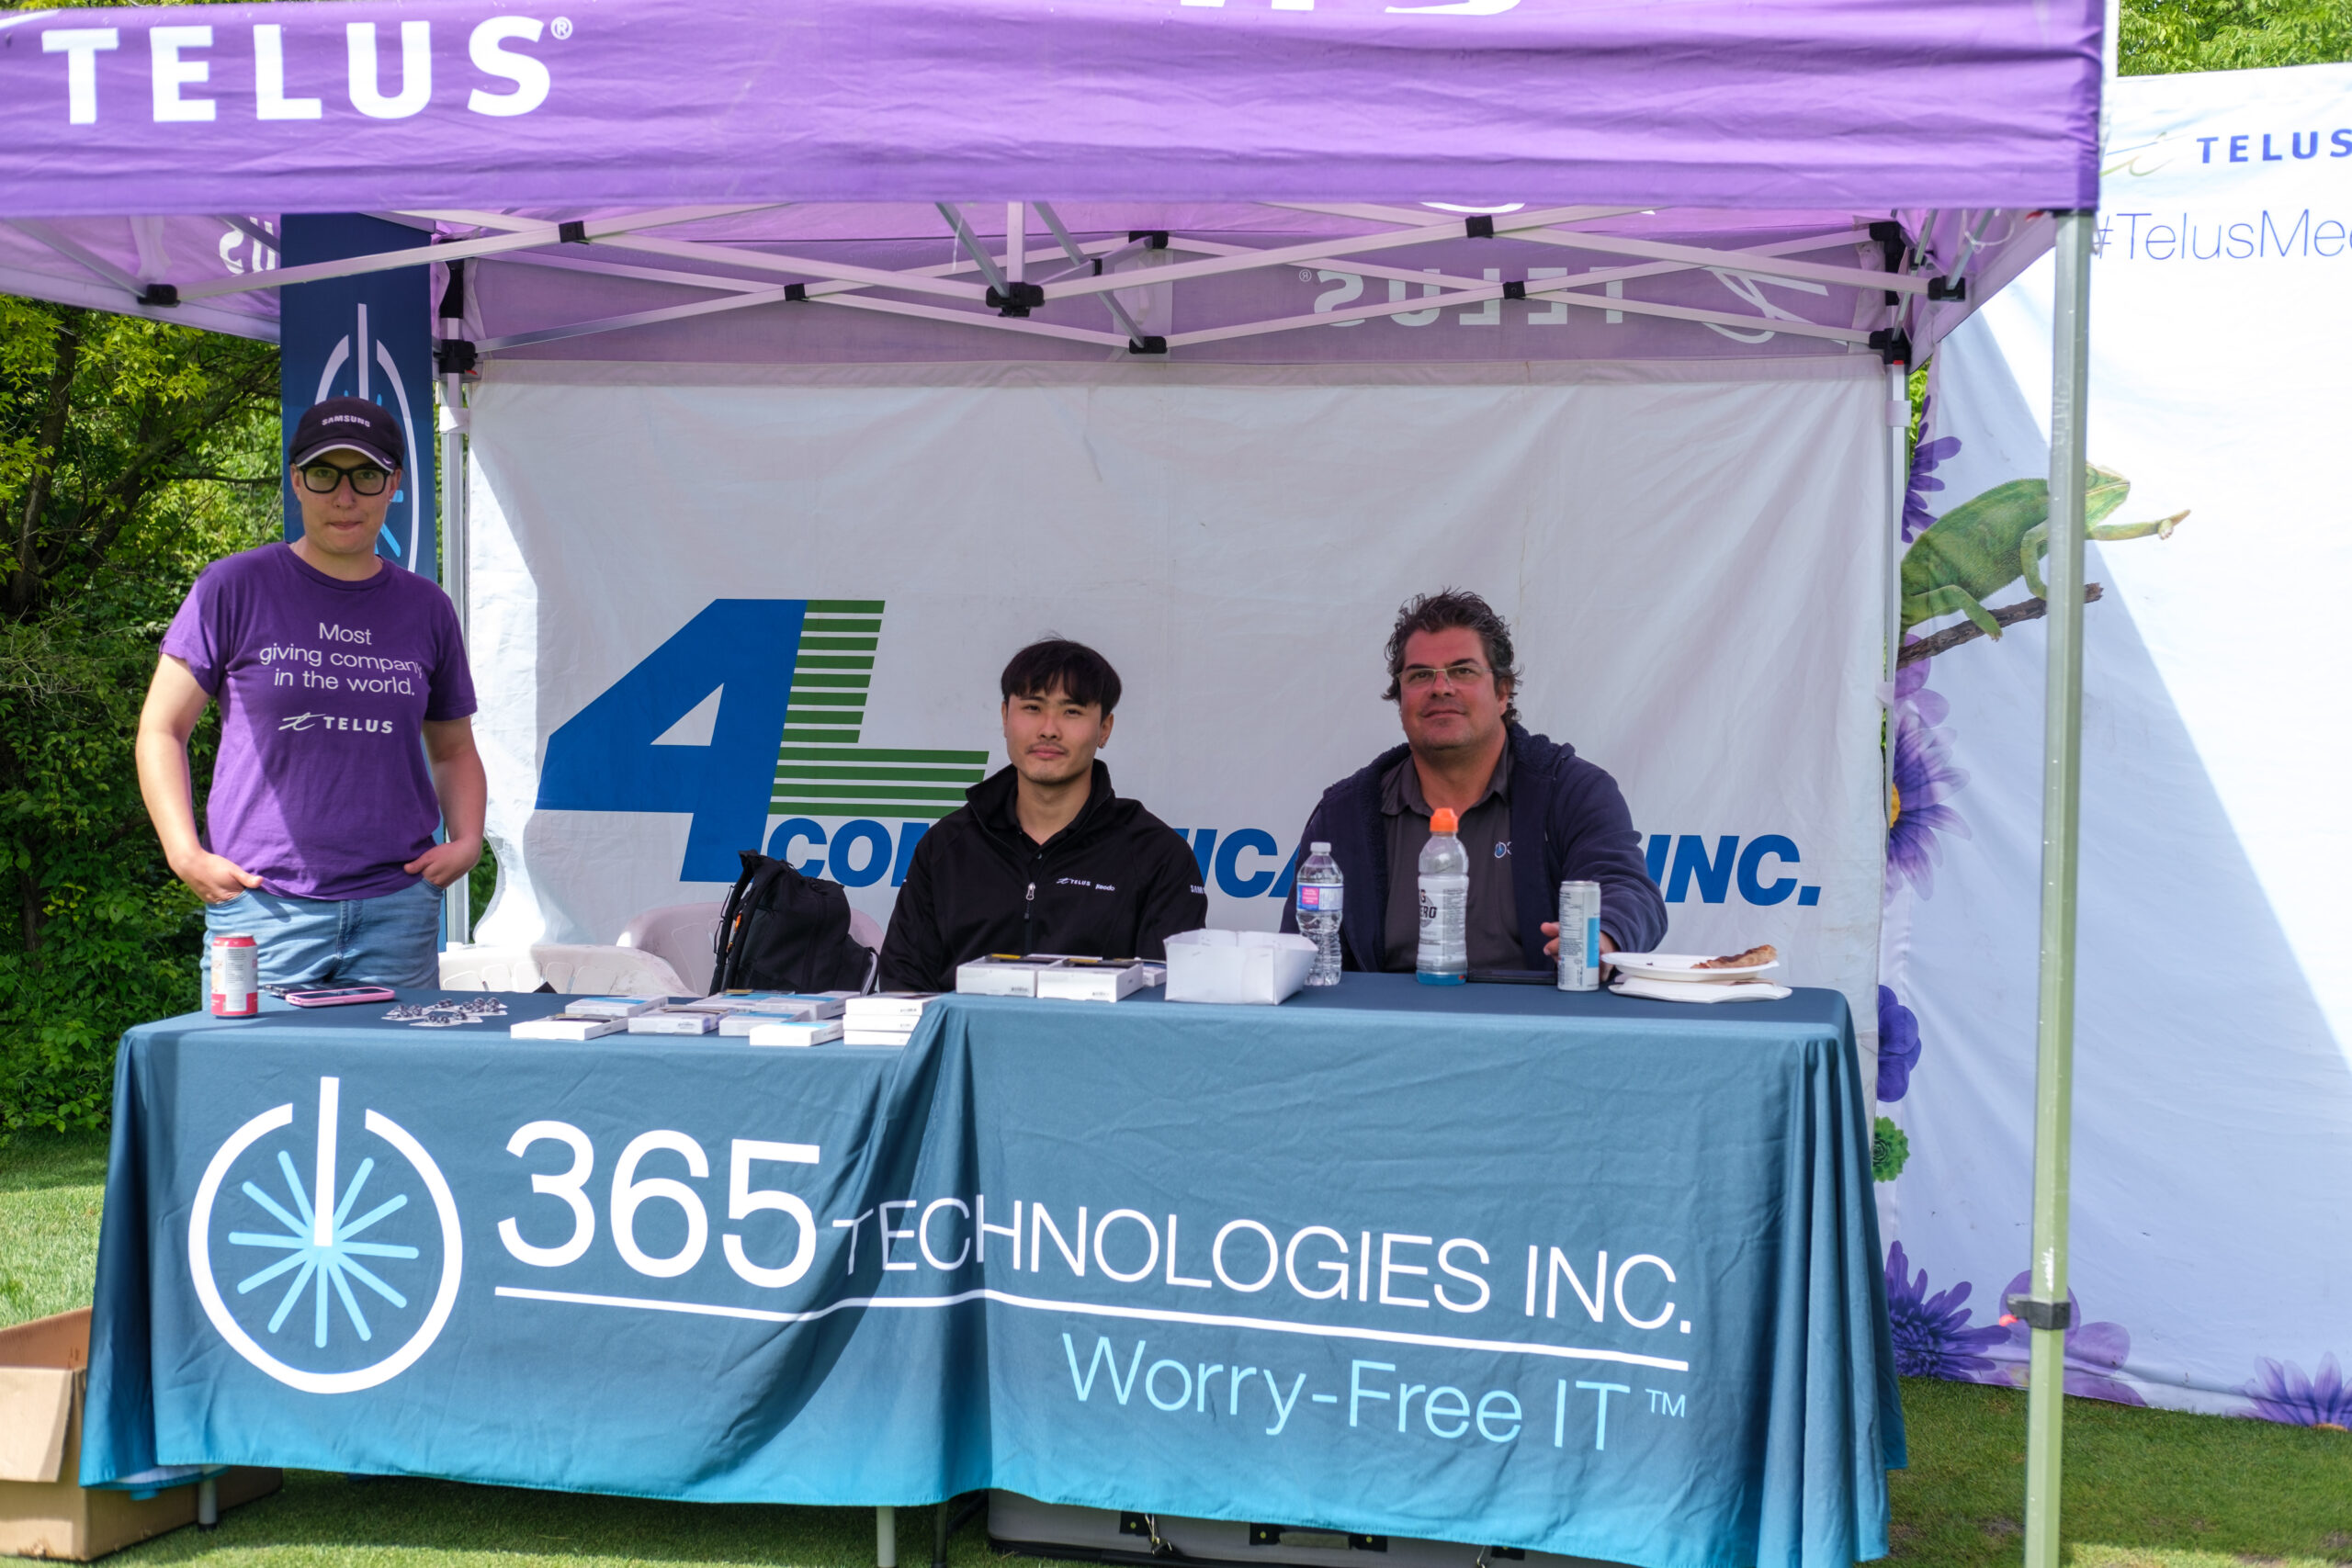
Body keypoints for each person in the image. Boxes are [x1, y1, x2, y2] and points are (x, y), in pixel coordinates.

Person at [135, 396, 484, 991]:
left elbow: (453, 749)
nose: (345, 497)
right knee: (253, 1058)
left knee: (397, 1059)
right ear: (297, 480)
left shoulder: (427, 607)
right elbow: (161, 729)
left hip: (397, 911)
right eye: (325, 474)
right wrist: (182, 852)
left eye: (366, 475)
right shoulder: (233, 587)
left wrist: (468, 841)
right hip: (264, 908)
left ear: (394, 484)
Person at [1281, 589, 1666, 974]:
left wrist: (1603, 936)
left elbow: (1628, 889)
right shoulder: (1344, 814)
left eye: (1463, 671)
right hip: (1387, 1014)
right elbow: (1303, 952)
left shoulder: (1572, 791)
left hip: (1538, 1012)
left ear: (1502, 693)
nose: (1441, 687)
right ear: (1400, 700)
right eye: (1420, 675)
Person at [878, 638, 1205, 992]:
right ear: (1005, 717)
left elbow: (1165, 1001)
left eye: (1072, 711)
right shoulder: (945, 846)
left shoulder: (1157, 856)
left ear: (1105, 729)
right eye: (1033, 708)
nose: (1049, 729)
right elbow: (902, 988)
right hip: (961, 1031)